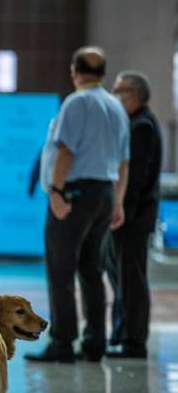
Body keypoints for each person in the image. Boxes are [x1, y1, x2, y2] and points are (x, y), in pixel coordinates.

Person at [26, 47, 130, 364]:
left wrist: (56, 192)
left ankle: (62, 342)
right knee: (91, 270)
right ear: (103, 73)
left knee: (61, 270)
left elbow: (66, 152)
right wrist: (118, 202)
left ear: (75, 70)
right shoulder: (116, 106)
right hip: (104, 194)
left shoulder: (77, 102)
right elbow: (124, 162)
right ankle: (95, 342)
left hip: (74, 195)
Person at [105, 71, 162, 359]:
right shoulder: (133, 123)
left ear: (137, 95)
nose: (115, 96)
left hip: (133, 217)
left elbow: (135, 178)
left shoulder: (142, 126)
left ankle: (134, 341)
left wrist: (120, 210)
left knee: (131, 279)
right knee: (120, 276)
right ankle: (121, 331)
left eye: (121, 90)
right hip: (129, 215)